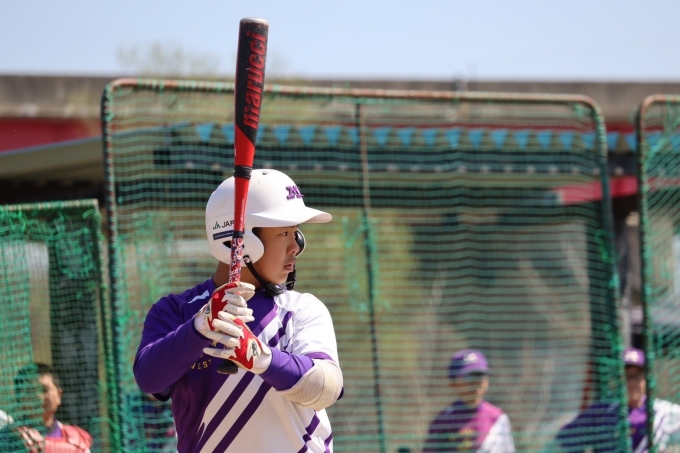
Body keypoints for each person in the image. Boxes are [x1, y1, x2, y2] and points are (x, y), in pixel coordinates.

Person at [134, 169, 344, 452]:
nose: (296, 247)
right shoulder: (176, 311)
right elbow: (149, 379)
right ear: (239, 241)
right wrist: (200, 328)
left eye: (296, 233)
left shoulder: (301, 309)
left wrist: (260, 357)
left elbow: (325, 389)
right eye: (284, 233)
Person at [556, 347, 680, 452]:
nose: (631, 383)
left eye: (636, 376)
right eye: (625, 376)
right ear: (615, 380)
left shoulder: (662, 412)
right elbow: (562, 443)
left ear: (646, 378)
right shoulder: (600, 412)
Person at [424, 349, 515, 452]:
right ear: (453, 383)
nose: (476, 382)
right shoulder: (444, 420)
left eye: (480, 375)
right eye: (469, 377)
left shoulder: (498, 418)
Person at [14, 364, 93, 452]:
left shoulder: (78, 441)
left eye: (45, 390)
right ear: (18, 399)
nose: (38, 397)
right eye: (30, 391)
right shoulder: (10, 439)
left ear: (59, 395)